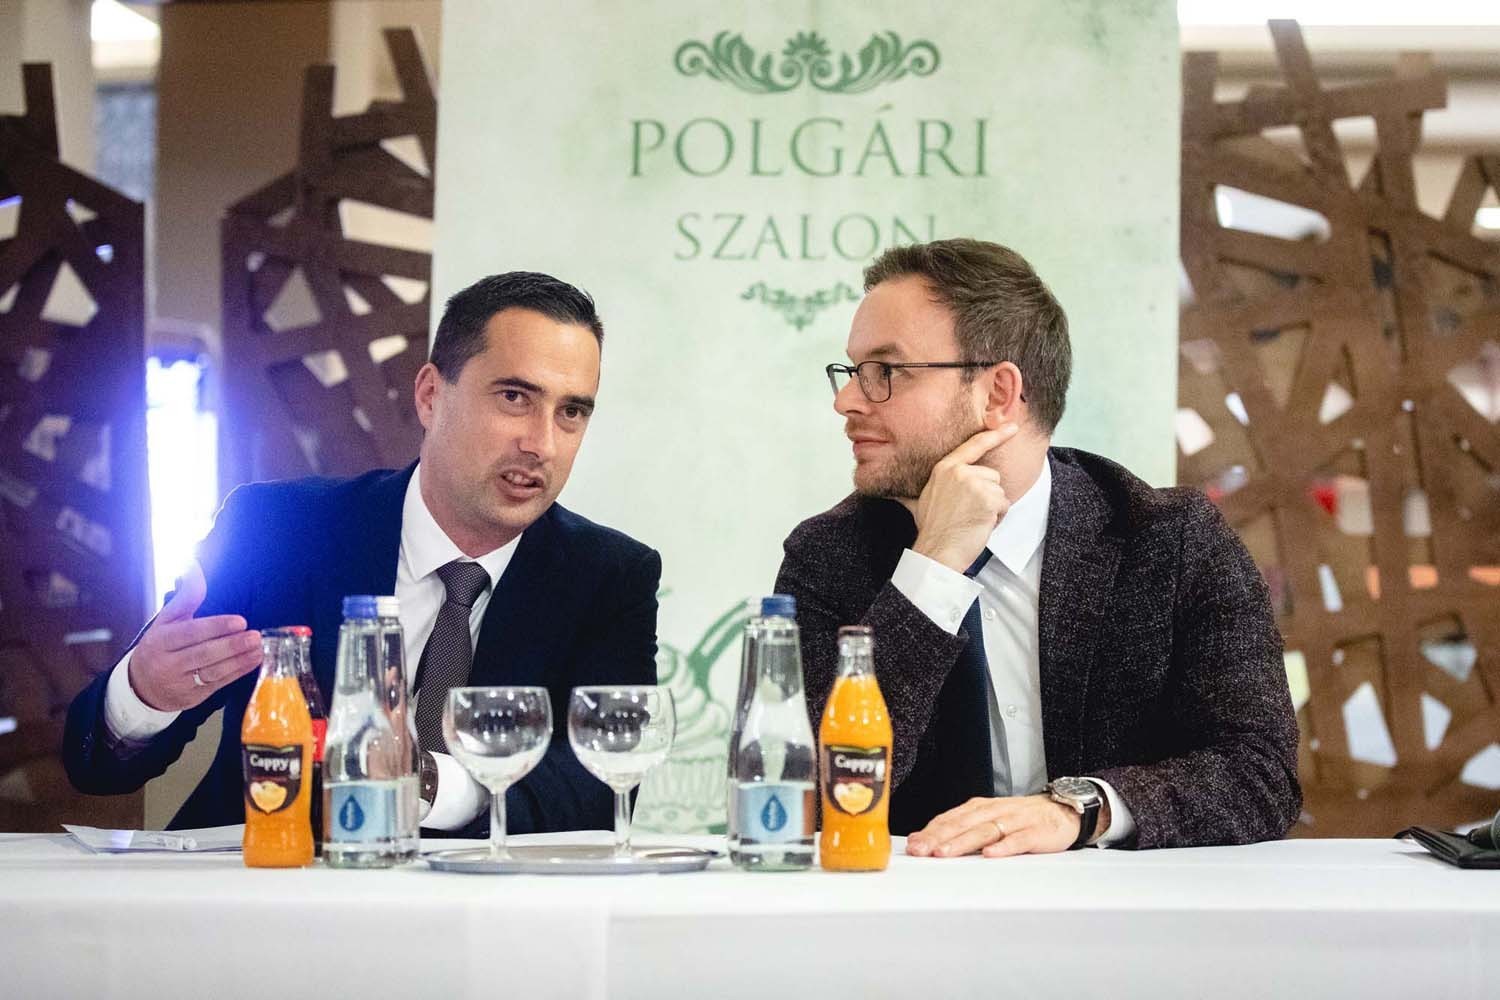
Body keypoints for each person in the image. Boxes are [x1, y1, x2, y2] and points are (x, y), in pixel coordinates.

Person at [64, 271, 660, 836]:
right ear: (430, 396)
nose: (542, 444)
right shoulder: (280, 529)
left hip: (483, 905)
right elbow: (98, 768)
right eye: (514, 397)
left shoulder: (608, 576)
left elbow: (604, 787)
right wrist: (144, 694)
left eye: (571, 412)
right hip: (267, 887)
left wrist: (425, 783)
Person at [775, 238, 1300, 856]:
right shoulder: (828, 556)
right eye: (853, 371)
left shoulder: (1170, 539)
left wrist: (1081, 809)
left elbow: (1260, 774)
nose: (847, 400)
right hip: (915, 908)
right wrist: (932, 569)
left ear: (999, 394)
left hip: (1121, 909)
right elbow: (809, 795)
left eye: (886, 372)